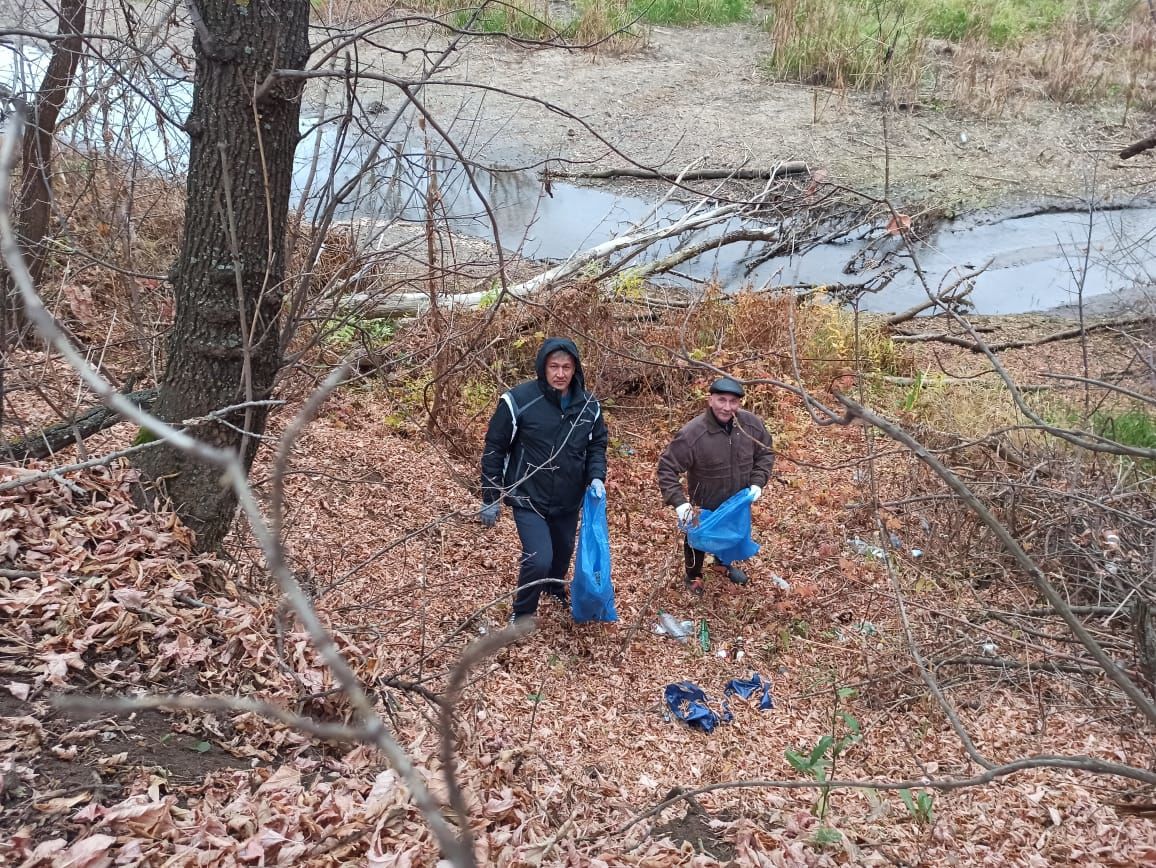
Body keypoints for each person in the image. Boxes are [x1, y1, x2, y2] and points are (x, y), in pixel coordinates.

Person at [480, 338, 609, 623]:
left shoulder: (588, 407)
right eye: (554, 366)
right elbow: (495, 447)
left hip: (568, 497)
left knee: (562, 555)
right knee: (539, 559)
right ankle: (523, 613)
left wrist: (596, 477)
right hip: (528, 495)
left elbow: (597, 445)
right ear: (543, 367)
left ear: (575, 369)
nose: (560, 374)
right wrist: (491, 496)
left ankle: (553, 588)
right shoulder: (518, 401)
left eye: (566, 367)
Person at [657, 376, 775, 595]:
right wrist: (680, 504)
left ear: (739, 403)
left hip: (737, 501)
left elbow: (765, 452)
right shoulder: (693, 433)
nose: (727, 407)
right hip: (705, 502)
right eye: (721, 400)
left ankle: (722, 563)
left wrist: (758, 482)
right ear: (710, 399)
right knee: (696, 538)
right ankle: (693, 575)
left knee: (730, 534)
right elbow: (666, 468)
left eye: (733, 401)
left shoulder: (750, 425)